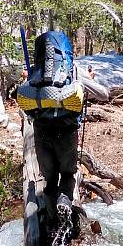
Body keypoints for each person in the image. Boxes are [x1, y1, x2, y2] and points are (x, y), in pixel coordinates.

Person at [22, 31, 107, 229]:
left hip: (42, 132)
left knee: (49, 181)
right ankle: (65, 205)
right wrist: (87, 82)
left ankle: (54, 223)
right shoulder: (74, 71)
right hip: (67, 132)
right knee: (68, 174)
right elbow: (104, 94)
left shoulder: (36, 72)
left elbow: (25, 100)